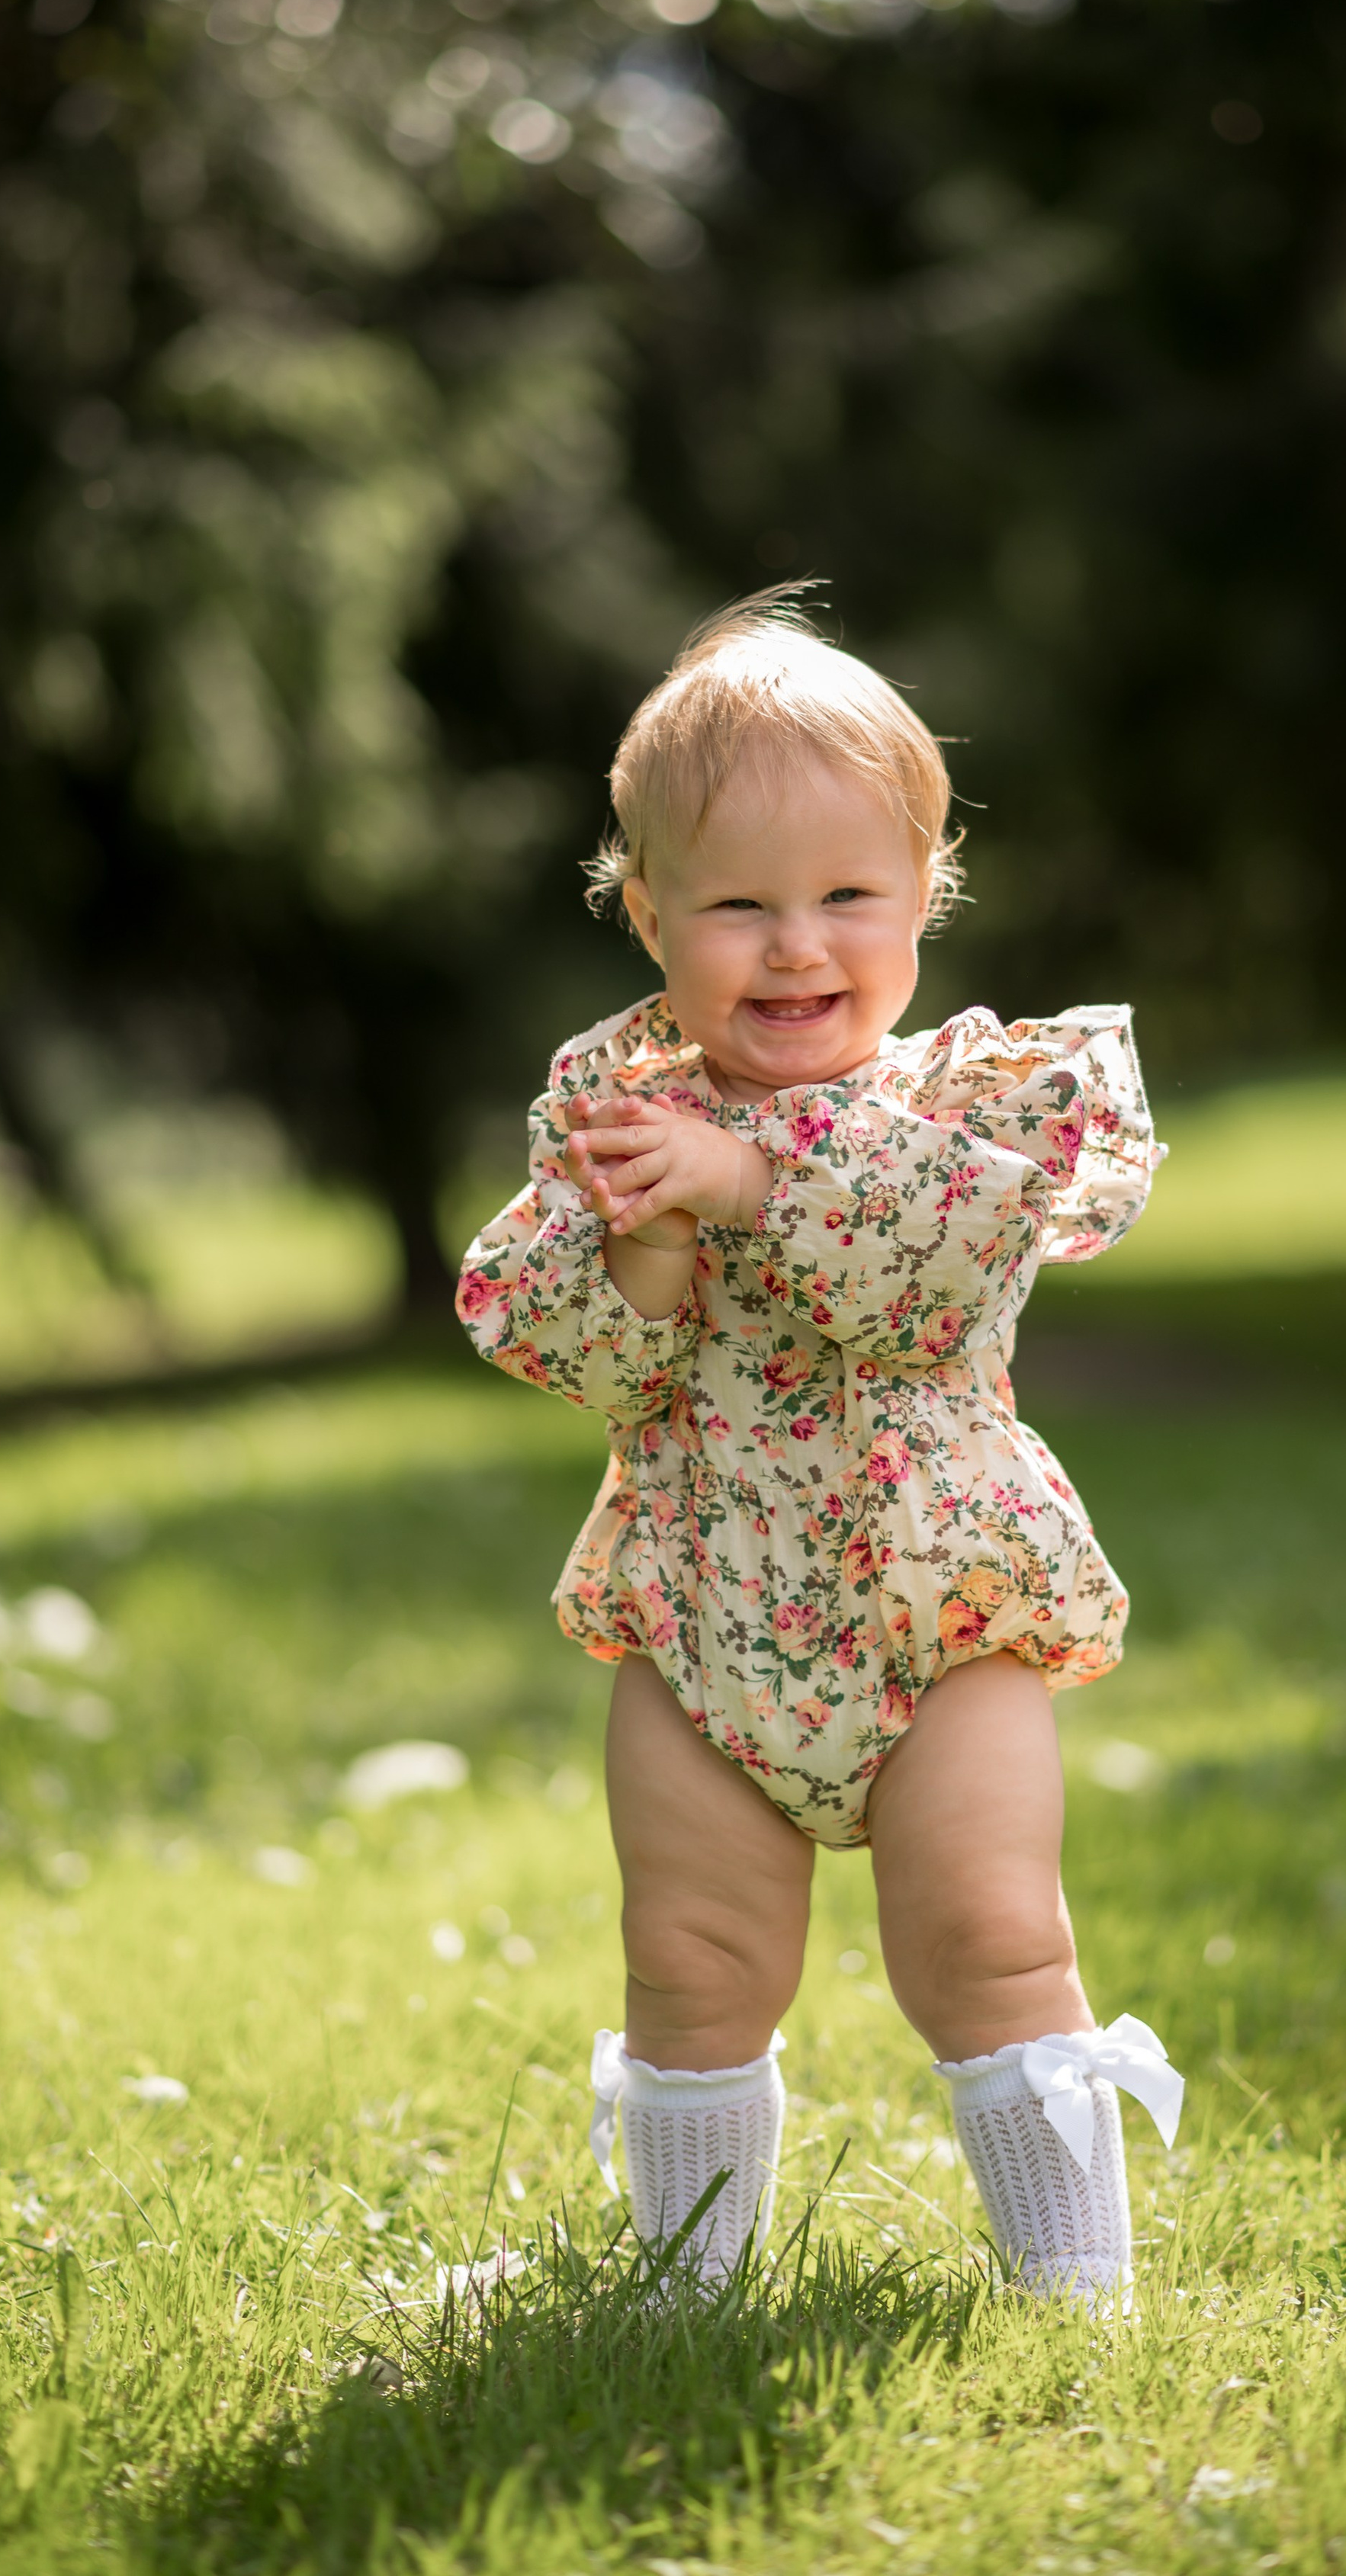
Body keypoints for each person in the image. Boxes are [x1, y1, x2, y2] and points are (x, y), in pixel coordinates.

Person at [456, 594, 1184, 2307]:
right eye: (737, 904)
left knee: (993, 1937)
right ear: (648, 916)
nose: (796, 947)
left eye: (848, 895)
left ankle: (1072, 2291)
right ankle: (683, 2287)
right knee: (691, 1956)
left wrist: (751, 1186)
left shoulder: (965, 1103)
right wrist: (642, 1237)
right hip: (706, 1605)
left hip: (943, 1607)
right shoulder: (617, 1105)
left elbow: (943, 1274)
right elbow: (540, 1334)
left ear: (922, 897)